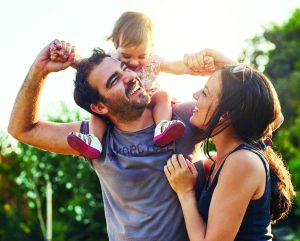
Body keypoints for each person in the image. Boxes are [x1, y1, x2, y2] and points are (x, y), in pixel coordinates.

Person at [8, 39, 215, 241]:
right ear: (99, 108)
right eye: (114, 80)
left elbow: (243, 103)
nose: (130, 76)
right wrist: (39, 69)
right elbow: (22, 130)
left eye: (125, 68)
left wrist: (213, 58)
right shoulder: (94, 140)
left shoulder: (182, 118)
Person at [164, 50, 295, 240]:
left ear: (226, 114)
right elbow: (271, 113)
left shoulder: (242, 162)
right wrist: (230, 68)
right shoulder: (225, 158)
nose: (195, 95)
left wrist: (185, 192)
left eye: (205, 93)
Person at [49, 11, 214, 159]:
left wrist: (192, 66)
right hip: (124, 105)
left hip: (150, 99)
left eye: (142, 55)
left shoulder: (152, 61)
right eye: (126, 56)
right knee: (98, 112)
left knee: (163, 95)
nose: (134, 62)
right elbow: (89, 67)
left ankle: (162, 126)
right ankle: (94, 140)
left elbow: (174, 66)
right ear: (116, 45)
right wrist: (69, 58)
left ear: (151, 49)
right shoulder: (111, 60)